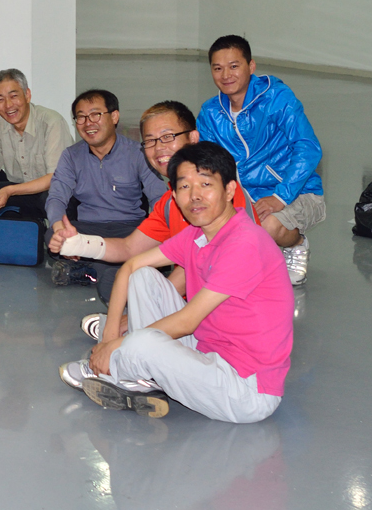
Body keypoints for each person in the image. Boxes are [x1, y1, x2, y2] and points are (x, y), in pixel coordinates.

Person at [59, 142, 294, 424]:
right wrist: (109, 336)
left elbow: (187, 321)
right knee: (144, 277)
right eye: (184, 186)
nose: (195, 196)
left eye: (206, 184)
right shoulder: (198, 233)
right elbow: (131, 266)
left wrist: (116, 347)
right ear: (174, 195)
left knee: (142, 342)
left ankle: (114, 369)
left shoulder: (245, 242)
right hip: (208, 348)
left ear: (230, 190)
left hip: (246, 388)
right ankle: (139, 376)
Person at [51, 101, 261, 333]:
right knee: (136, 278)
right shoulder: (170, 202)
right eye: (150, 141)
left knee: (140, 286)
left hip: (230, 312)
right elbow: (129, 248)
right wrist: (78, 243)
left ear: (193, 138)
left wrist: (134, 318)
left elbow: (201, 264)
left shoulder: (219, 192)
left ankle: (135, 329)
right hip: (191, 303)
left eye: (168, 137)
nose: (159, 148)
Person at [197, 34, 325, 285]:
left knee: (268, 226)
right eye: (218, 68)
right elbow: (208, 163)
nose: (226, 75)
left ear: (251, 66)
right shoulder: (210, 112)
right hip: (244, 196)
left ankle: (296, 244)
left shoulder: (277, 98)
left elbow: (308, 148)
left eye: (234, 66)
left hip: (297, 191)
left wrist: (280, 197)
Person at [46, 90, 168, 296]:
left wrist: (163, 232)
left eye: (95, 115)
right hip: (89, 229)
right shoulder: (71, 156)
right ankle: (117, 270)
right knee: (52, 236)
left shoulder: (138, 152)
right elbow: (56, 197)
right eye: (81, 117)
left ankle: (90, 269)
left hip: (129, 229)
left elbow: (159, 198)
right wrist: (59, 229)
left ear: (114, 117)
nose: (88, 123)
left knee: (155, 240)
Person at [0, 68, 73, 220]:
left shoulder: (51, 122)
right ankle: (23, 218)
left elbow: (54, 177)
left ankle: (24, 217)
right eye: (0, 99)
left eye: (13, 96)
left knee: (50, 200)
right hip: (21, 189)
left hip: (53, 188)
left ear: (27, 95)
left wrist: (9, 191)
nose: (8, 105)